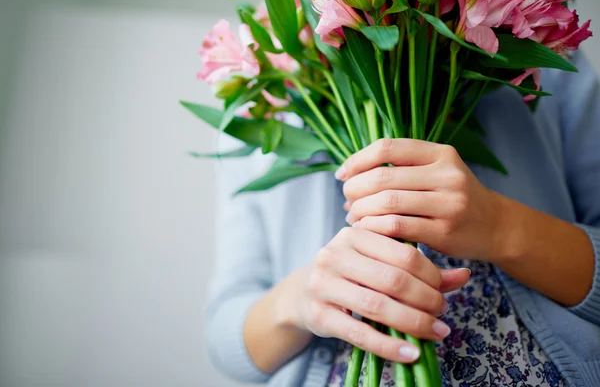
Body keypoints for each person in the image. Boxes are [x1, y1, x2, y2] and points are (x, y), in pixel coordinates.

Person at [204, 52, 600, 387]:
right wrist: (301, 299)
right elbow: (224, 333)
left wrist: (501, 227)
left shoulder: (545, 54)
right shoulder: (257, 100)